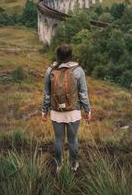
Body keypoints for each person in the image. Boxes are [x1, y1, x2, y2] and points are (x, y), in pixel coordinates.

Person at [41, 44, 91, 172]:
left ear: (58, 56)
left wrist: (44, 111)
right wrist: (88, 110)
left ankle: (59, 165)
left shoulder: (50, 70)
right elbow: (83, 94)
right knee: (73, 140)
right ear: (71, 56)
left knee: (58, 139)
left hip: (56, 112)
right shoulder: (78, 70)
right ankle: (74, 165)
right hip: (73, 112)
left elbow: (46, 94)